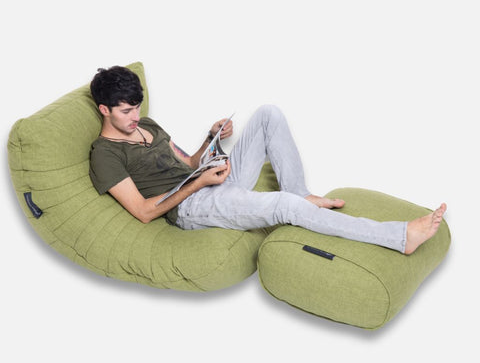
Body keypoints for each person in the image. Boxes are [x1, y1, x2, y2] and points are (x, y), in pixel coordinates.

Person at [89, 66, 446, 255]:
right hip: (189, 208)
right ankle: (399, 237)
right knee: (283, 206)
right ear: (105, 109)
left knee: (268, 113)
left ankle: (300, 191)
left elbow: (188, 162)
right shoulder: (105, 154)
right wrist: (200, 184)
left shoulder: (147, 125)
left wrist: (211, 140)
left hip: (206, 182)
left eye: (137, 107)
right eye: (126, 111)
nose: (135, 116)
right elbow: (144, 211)